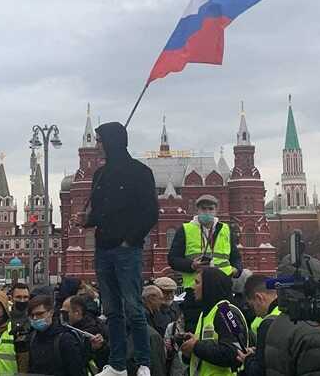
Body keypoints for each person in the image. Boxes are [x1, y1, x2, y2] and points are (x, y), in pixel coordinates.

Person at [72, 121, 159, 376]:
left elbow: (151, 213)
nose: (97, 145)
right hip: (103, 249)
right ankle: (118, 364)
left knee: (133, 307)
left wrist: (130, 240)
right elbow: (100, 213)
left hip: (126, 250)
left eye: (99, 140)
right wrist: (86, 220)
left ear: (112, 141)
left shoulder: (140, 172)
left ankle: (144, 362)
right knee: (111, 310)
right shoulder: (100, 175)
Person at [168, 194, 242, 333]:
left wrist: (237, 270)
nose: (207, 212)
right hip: (196, 291)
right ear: (197, 210)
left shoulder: (225, 229)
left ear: (216, 211)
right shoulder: (185, 230)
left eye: (210, 209)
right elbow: (172, 259)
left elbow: (236, 257)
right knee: (195, 329)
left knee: (229, 329)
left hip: (222, 290)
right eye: (203, 209)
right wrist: (191, 265)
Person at [179, 267, 248, 376]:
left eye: (197, 282)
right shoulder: (205, 313)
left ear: (209, 286)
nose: (193, 287)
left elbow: (233, 353)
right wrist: (189, 351)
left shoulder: (225, 311)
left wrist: (196, 346)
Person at [24, 295, 86, 376]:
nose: (35, 318)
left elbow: (76, 371)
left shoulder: (65, 339)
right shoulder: (32, 338)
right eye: (32, 315)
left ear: (51, 312)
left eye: (40, 314)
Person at [239, 274, 281, 375]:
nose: (255, 314)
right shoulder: (292, 313)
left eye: (251, 306)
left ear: (259, 298)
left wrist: (248, 359)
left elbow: (260, 371)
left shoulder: (267, 324)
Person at [61, 295, 110, 370]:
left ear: (77, 312)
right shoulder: (69, 327)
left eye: (65, 312)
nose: (62, 316)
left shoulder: (90, 333)